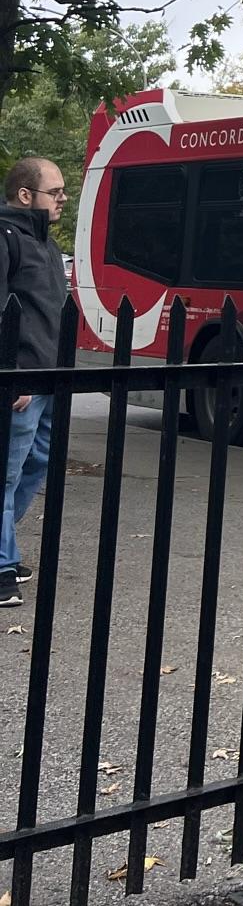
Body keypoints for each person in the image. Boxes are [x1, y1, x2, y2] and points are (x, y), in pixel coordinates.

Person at [0, 156, 69, 607]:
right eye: (55, 191)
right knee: (6, 473)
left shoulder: (46, 244)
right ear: (25, 195)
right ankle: (1, 563)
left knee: (37, 464)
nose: (64, 198)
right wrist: (13, 372)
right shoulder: (5, 238)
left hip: (48, 379)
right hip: (21, 381)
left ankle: (4, 546)